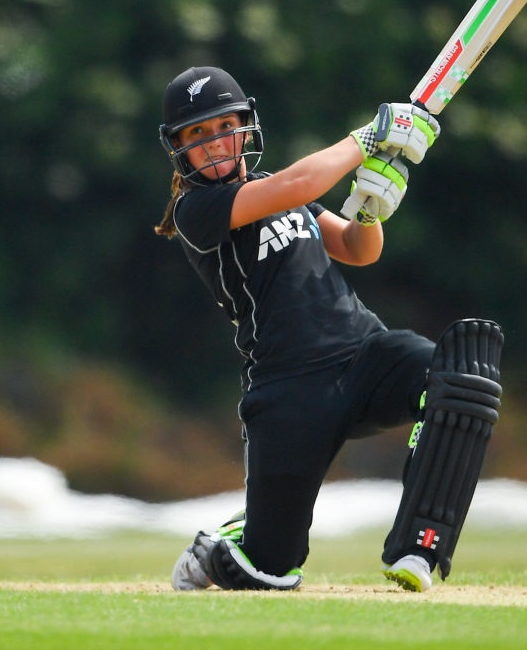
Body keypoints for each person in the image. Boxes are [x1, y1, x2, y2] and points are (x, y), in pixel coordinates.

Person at [155, 66, 502, 593]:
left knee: (459, 374)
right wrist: (370, 136)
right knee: (270, 570)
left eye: (225, 125)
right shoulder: (196, 210)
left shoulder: (278, 190)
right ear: (179, 148)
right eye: (198, 133)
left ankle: (418, 546)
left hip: (365, 355)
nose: (216, 141)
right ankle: (229, 544)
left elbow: (359, 250)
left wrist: (371, 207)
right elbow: (302, 180)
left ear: (246, 128)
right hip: (289, 389)